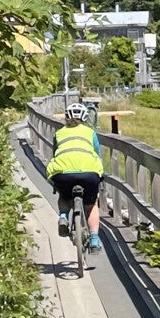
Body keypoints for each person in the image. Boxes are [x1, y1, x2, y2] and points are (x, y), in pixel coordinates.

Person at [46, 102, 105, 251]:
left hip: (63, 173)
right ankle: (94, 239)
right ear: (85, 118)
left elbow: (55, 153)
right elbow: (97, 153)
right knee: (91, 204)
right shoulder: (90, 133)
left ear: (66, 117)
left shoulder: (59, 133)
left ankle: (64, 217)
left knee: (64, 197)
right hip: (89, 172)